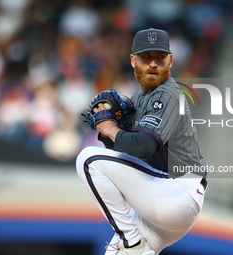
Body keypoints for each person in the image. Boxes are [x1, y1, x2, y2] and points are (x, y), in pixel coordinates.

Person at [76, 28, 207, 255]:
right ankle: (132, 245)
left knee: (88, 160)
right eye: (147, 57)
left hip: (178, 190)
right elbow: (129, 149)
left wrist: (110, 129)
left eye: (160, 57)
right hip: (158, 198)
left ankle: (132, 241)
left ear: (170, 61)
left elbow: (143, 145)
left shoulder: (167, 93)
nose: (153, 63)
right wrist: (112, 130)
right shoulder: (139, 98)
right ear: (133, 60)